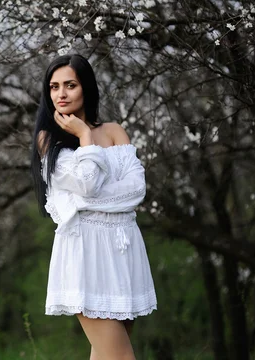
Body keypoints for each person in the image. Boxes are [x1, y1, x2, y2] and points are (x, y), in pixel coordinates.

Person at [29, 54, 157, 359]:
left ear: (85, 87)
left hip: (123, 250)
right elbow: (88, 183)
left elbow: (136, 190)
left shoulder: (114, 131)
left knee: (106, 355)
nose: (61, 93)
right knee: (122, 357)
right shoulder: (49, 139)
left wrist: (92, 199)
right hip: (85, 253)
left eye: (70, 85)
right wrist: (85, 136)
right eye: (54, 87)